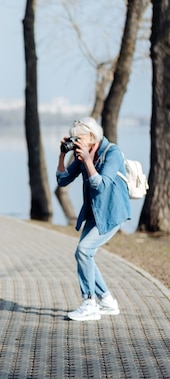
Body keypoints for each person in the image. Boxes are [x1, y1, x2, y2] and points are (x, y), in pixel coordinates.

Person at [56, 117, 131, 321]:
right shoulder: (82, 154)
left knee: (83, 251)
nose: (76, 142)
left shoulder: (112, 153)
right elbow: (62, 181)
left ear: (92, 136)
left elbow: (100, 185)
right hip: (94, 212)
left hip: (112, 212)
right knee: (84, 254)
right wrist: (63, 155)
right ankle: (107, 302)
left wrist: (88, 161)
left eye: (79, 138)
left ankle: (89, 304)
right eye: (74, 138)